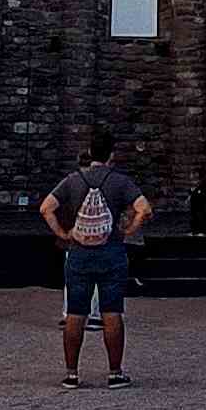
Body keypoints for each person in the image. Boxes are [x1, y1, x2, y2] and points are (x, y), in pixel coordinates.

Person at [38, 127, 151, 388]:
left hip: (79, 253)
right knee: (112, 312)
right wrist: (128, 230)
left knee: (76, 314)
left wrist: (64, 234)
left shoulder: (73, 180)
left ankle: (72, 374)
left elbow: (46, 208)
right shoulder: (120, 181)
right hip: (111, 252)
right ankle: (114, 373)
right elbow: (144, 208)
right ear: (111, 154)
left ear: (90, 152)